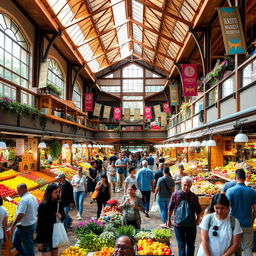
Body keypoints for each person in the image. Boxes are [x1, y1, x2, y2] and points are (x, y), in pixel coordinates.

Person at [167, 176, 202, 256]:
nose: (186, 187)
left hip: (179, 224)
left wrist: (198, 219)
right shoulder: (193, 196)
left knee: (182, 244)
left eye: (188, 185)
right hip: (189, 224)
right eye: (185, 185)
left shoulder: (175, 195)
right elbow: (199, 210)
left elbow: (170, 208)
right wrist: (168, 220)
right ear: (181, 184)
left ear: (191, 186)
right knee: (187, 245)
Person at [226, 169, 256, 256]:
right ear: (245, 178)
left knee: (235, 248)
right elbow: (255, 209)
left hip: (234, 223)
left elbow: (227, 208)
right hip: (247, 223)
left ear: (235, 178)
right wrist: (252, 219)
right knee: (247, 248)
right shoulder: (252, 192)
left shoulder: (230, 191)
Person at [37, 183, 65, 256]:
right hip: (45, 237)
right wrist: (39, 241)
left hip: (55, 235)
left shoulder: (59, 203)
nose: (58, 194)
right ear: (49, 192)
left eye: (58, 191)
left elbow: (64, 217)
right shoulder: (43, 205)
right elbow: (40, 223)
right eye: (55, 192)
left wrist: (60, 216)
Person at [10, 183, 38, 256]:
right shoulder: (32, 197)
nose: (17, 192)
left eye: (18, 190)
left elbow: (21, 214)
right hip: (29, 224)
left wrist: (13, 224)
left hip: (25, 227)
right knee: (15, 242)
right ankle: (25, 254)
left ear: (24, 189)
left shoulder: (24, 199)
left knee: (28, 246)